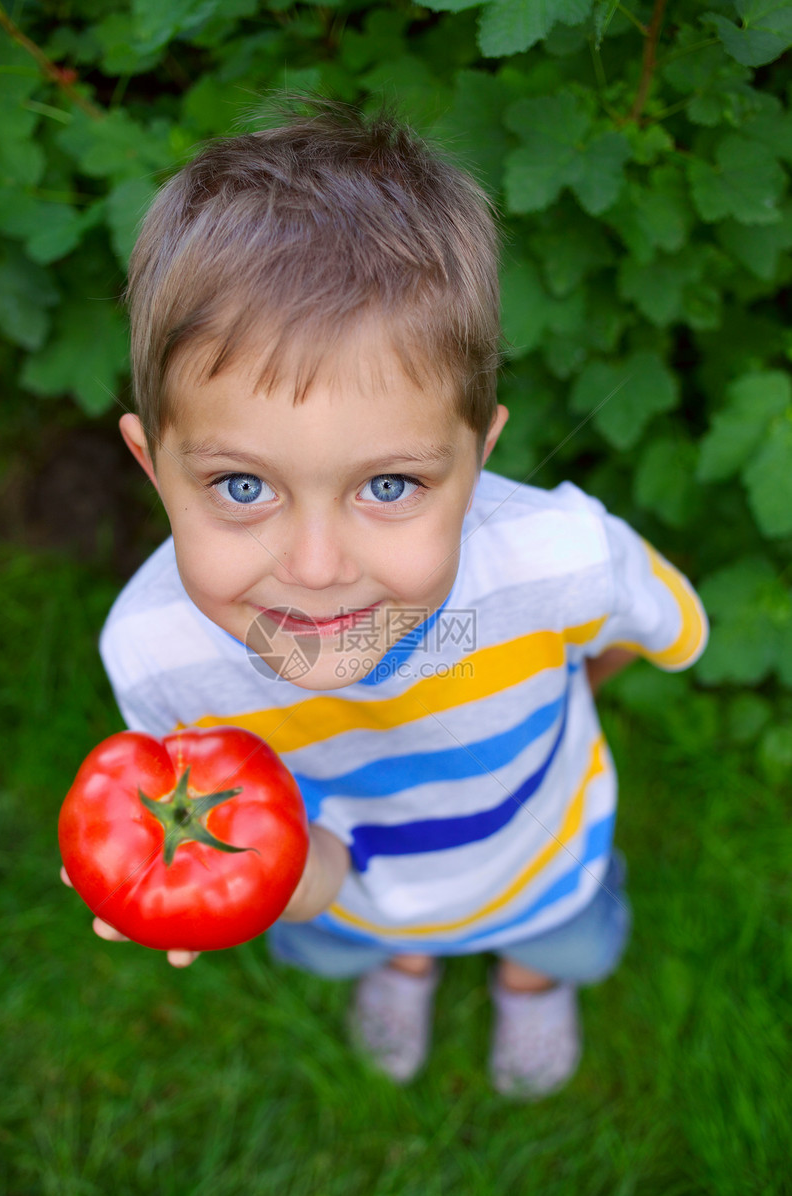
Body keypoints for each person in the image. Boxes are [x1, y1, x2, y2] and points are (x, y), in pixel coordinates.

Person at [71, 101, 708, 1100]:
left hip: (539, 861)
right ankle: (405, 960)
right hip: (356, 901)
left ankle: (530, 976)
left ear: (477, 459)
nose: (316, 567)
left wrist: (568, 684)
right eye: (243, 487)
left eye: (388, 485)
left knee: (563, 942)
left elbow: (640, 630)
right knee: (357, 941)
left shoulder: (560, 557)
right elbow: (278, 842)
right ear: (155, 467)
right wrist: (217, 881)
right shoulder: (155, 658)